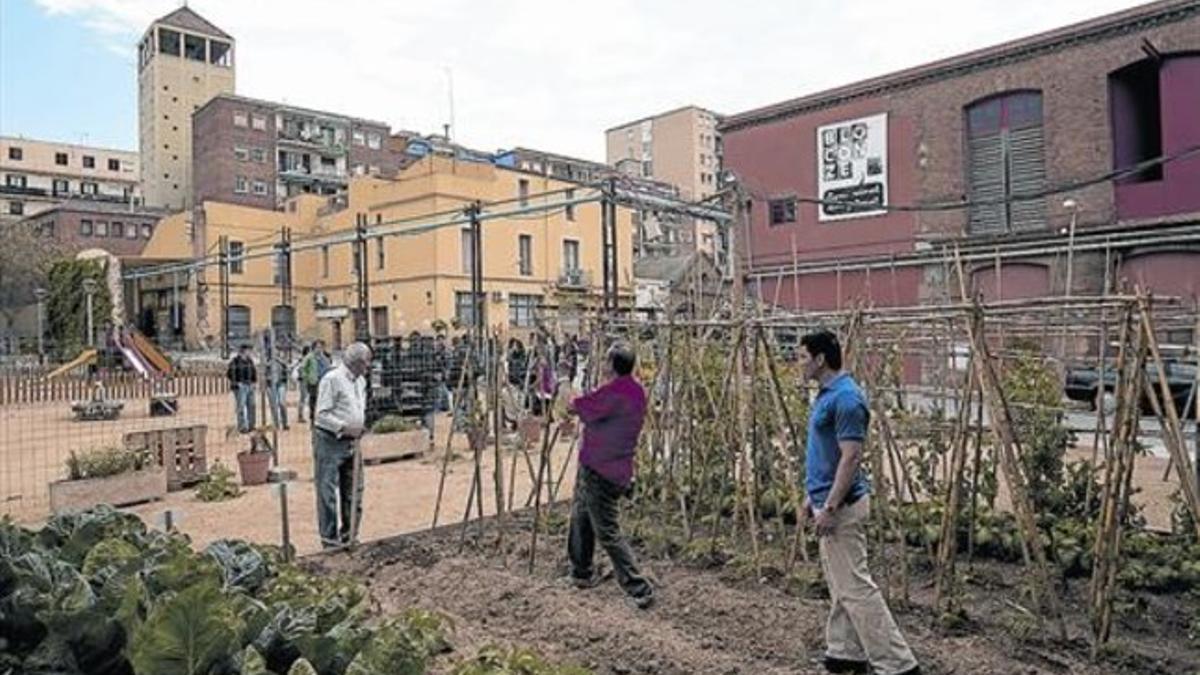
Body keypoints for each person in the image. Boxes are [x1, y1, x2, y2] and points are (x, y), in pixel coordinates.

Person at [800, 330, 920, 675]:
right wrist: (812, 496)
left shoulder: (847, 399)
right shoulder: (827, 394)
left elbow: (850, 458)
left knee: (856, 589)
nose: (799, 363)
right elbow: (826, 454)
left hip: (843, 508)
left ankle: (898, 665)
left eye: (803, 357)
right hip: (827, 502)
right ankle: (844, 652)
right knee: (842, 586)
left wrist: (831, 507)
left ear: (821, 359)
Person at [565, 343, 655, 609]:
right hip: (607, 466)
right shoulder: (635, 390)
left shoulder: (614, 393)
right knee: (581, 515)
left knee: (607, 531)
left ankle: (639, 588)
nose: (602, 363)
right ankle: (581, 572)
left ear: (612, 365)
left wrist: (562, 379)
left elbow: (575, 407)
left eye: (605, 359)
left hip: (602, 470)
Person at [312, 341, 372, 549]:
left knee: (354, 489)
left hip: (353, 442)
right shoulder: (332, 380)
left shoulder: (360, 381)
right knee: (327, 491)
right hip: (330, 440)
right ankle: (329, 541)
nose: (368, 367)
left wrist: (358, 427)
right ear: (355, 362)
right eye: (366, 363)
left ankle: (350, 535)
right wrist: (344, 427)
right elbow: (321, 416)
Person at [226, 344, 257, 433]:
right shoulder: (235, 361)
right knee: (241, 407)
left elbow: (254, 371)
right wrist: (237, 383)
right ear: (243, 351)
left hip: (250, 385)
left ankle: (251, 425)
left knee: (252, 405)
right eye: (248, 350)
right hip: (240, 387)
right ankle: (242, 427)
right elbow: (229, 374)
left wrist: (254, 382)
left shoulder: (250, 361)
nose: (249, 352)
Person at [302, 339, 332, 423]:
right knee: (313, 400)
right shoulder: (309, 357)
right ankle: (312, 418)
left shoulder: (325, 358)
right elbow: (303, 368)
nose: (319, 349)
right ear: (314, 348)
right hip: (313, 382)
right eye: (317, 347)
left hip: (323, 382)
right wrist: (307, 378)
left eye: (321, 347)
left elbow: (328, 368)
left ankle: (321, 418)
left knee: (322, 400)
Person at [266, 343, 290, 430]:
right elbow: (264, 371)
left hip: (280, 384)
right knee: (273, 405)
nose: (276, 352)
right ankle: (276, 423)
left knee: (282, 403)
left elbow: (287, 368)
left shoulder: (281, 361)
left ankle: (285, 423)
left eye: (277, 350)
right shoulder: (267, 361)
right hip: (270, 385)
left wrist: (279, 360)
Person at [292, 345, 311, 423]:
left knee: (303, 399)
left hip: (304, 381)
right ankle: (300, 416)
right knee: (303, 399)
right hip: (304, 381)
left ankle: (302, 415)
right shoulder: (305, 360)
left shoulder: (301, 360)